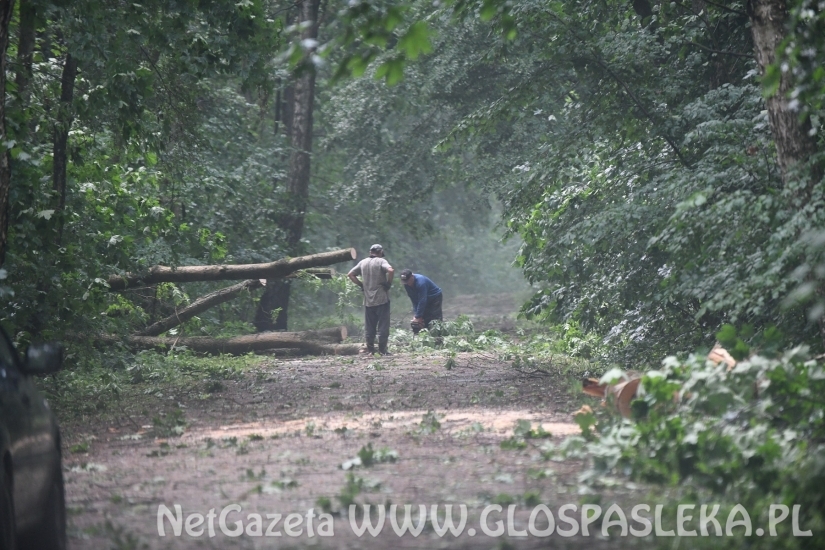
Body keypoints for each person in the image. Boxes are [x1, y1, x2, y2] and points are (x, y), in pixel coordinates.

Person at [348, 244, 394, 355]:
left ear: (370, 252)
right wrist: (388, 283)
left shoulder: (363, 262)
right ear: (380, 251)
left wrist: (362, 285)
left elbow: (350, 274)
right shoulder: (381, 261)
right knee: (383, 326)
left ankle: (371, 350)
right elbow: (391, 270)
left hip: (368, 301)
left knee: (370, 327)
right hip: (382, 299)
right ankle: (383, 351)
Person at [399, 269, 443, 334]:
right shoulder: (406, 284)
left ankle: (438, 335)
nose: (407, 283)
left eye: (408, 281)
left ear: (412, 276)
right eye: (405, 282)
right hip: (424, 299)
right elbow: (413, 299)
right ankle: (425, 335)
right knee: (424, 318)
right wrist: (416, 315)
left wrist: (418, 316)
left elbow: (422, 300)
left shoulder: (421, 282)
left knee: (434, 318)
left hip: (434, 298)